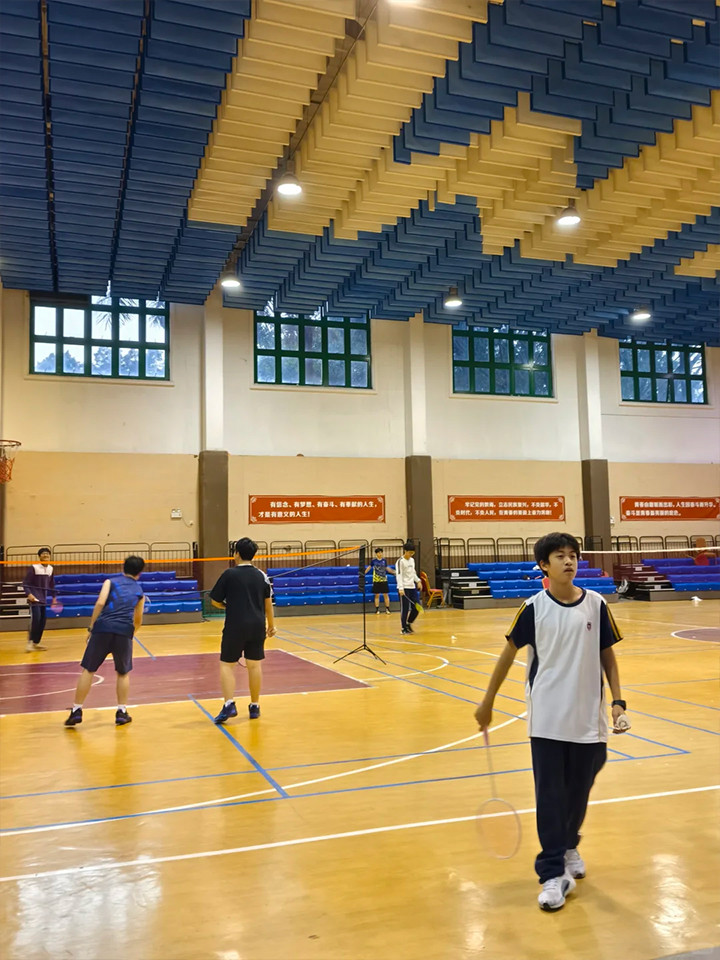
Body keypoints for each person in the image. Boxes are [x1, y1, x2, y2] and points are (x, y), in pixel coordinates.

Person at [474, 532, 630, 913]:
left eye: (573, 555)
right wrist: (488, 701)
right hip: (546, 719)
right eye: (559, 556)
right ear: (544, 565)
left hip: (589, 720)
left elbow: (608, 657)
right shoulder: (533, 608)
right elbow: (507, 654)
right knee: (550, 796)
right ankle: (551, 871)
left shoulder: (596, 604)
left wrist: (617, 703)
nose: (569, 561)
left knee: (579, 790)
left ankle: (568, 843)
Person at [64, 555, 146, 727]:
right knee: (123, 673)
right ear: (140, 572)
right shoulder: (139, 591)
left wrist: (91, 627)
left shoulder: (110, 582)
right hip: (124, 631)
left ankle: (76, 710)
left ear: (123, 567)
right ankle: (121, 712)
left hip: (102, 629)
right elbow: (138, 619)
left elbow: (100, 603)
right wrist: (130, 633)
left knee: (88, 670)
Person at [210, 537, 275, 723]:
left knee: (227, 665)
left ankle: (229, 704)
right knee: (254, 665)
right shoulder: (261, 575)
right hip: (257, 625)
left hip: (235, 625)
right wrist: (271, 625)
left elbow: (214, 601)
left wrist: (227, 606)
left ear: (236, 553)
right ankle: (254, 706)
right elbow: (268, 604)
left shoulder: (229, 574)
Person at [22, 547, 58, 652]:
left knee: (42, 621)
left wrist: (54, 598)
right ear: (39, 556)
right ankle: (29, 643)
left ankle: (36, 643)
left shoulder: (51, 569)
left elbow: (52, 584)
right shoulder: (34, 567)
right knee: (36, 620)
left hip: (43, 599)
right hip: (34, 599)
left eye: (47, 554)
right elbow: (26, 583)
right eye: (43, 554)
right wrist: (29, 594)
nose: (45, 555)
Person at [396, 541, 422, 635]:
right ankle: (403, 628)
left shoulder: (412, 560)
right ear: (405, 551)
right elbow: (399, 575)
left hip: (412, 587)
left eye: (413, 553)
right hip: (404, 588)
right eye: (410, 552)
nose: (411, 554)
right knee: (405, 609)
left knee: (417, 607)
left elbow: (413, 573)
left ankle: (408, 623)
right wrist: (401, 588)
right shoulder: (400, 561)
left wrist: (418, 581)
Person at [365, 547, 395, 614]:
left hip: (384, 580)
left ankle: (387, 609)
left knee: (386, 595)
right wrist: (364, 573)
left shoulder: (384, 560)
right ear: (376, 553)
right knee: (377, 595)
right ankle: (377, 609)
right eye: (379, 552)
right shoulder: (373, 561)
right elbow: (369, 567)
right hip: (376, 580)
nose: (380, 554)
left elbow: (387, 568)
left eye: (381, 552)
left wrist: (393, 572)